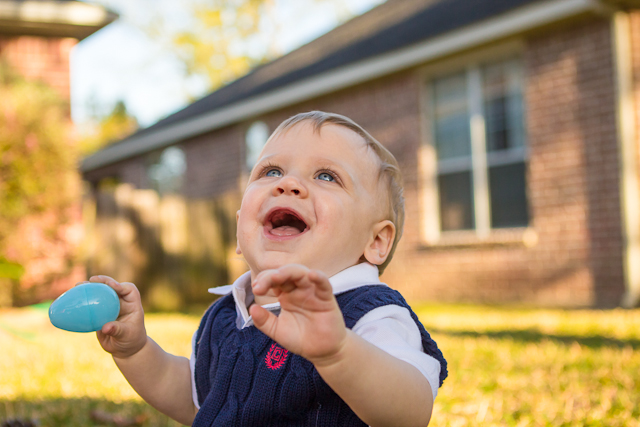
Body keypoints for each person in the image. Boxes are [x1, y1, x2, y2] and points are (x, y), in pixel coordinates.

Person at [90, 111, 447, 426]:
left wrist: (339, 351)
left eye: (326, 176)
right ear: (239, 229)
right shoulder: (226, 316)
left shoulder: (371, 315)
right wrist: (135, 351)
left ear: (376, 242)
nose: (287, 183)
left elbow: (410, 411)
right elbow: (194, 400)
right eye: (271, 170)